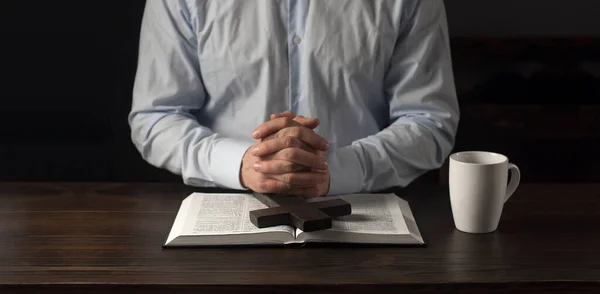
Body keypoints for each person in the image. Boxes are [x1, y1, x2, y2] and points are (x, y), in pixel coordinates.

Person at [129, 0, 460, 198]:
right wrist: (244, 164)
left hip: (367, 208)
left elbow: (429, 121)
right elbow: (156, 117)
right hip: (221, 206)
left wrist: (343, 169)